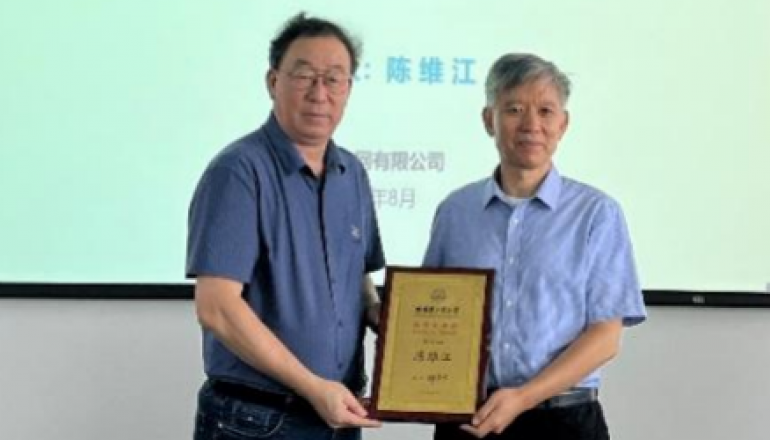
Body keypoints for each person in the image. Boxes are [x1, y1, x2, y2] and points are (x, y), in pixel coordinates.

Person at [424, 53, 647, 439]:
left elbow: (605, 337)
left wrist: (523, 397)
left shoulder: (596, 214)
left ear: (563, 124)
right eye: (514, 109)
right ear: (488, 120)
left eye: (545, 111)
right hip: (470, 420)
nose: (531, 125)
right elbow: (428, 316)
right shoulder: (455, 212)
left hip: (564, 421)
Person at [186, 12, 384, 440]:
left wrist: (389, 319)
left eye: (334, 79)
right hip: (257, 421)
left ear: (349, 89)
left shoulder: (352, 174)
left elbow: (358, 277)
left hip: (339, 413)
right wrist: (313, 387)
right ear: (273, 81)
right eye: (304, 76)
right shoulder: (238, 172)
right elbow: (216, 307)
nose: (319, 93)